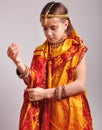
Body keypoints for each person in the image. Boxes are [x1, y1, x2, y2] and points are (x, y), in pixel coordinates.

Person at [7, 1, 93, 130]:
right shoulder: (40, 51)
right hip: (47, 111)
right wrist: (17, 61)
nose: (48, 33)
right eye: (44, 28)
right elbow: (33, 81)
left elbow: (80, 85)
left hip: (71, 111)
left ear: (65, 24)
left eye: (53, 28)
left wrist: (46, 93)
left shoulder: (76, 48)